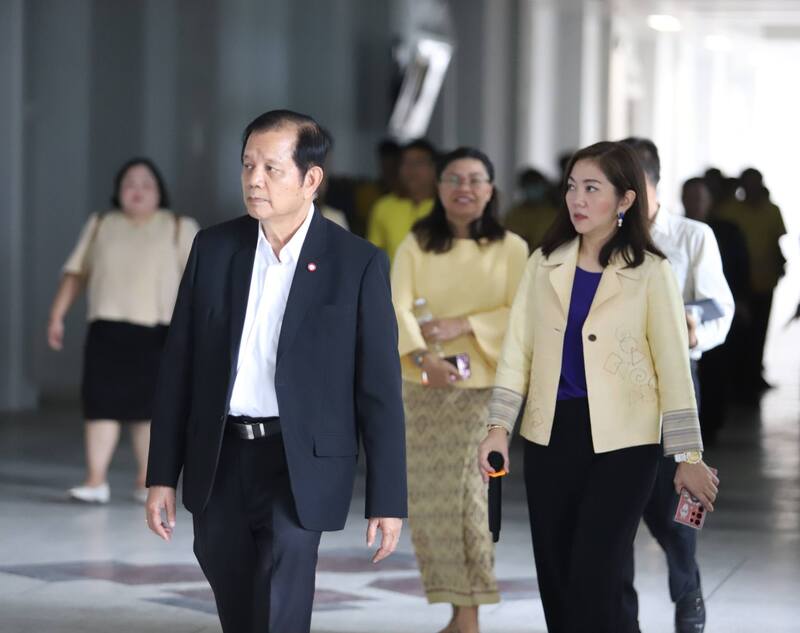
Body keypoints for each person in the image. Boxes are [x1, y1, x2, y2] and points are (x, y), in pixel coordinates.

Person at [144, 110, 407, 633]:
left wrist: (388, 499)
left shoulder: (357, 264)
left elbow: (378, 390)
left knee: (284, 584)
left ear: (311, 180)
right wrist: (160, 475)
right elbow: (179, 368)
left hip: (299, 459)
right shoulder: (214, 249)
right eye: (247, 165)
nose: (254, 180)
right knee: (231, 578)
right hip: (221, 454)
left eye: (271, 168)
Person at [478, 141, 719, 633]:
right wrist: (498, 427)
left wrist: (688, 459)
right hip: (550, 437)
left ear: (625, 200)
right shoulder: (543, 263)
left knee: (597, 576)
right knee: (559, 576)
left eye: (592, 188)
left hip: (626, 446)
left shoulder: (652, 274)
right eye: (571, 187)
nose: (577, 200)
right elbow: (516, 354)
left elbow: (674, 371)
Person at [392, 147, 528, 633]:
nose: (464, 188)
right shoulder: (416, 244)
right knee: (428, 504)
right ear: (439, 187)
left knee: (469, 497)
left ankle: (469, 615)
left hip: (482, 394)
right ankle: (456, 610)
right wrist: (424, 357)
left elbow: (523, 314)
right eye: (454, 178)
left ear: (491, 189)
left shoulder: (511, 248)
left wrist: (464, 324)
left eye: (475, 179)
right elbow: (397, 305)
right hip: (424, 389)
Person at [619, 138, 733, 633]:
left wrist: (686, 322)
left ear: (648, 183)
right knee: (619, 500)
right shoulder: (604, 235)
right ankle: (619, 614)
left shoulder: (691, 236)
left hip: (675, 385)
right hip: (615, 385)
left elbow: (718, 307)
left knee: (678, 499)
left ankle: (688, 593)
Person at [47, 158, 198, 504]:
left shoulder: (178, 225)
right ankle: (95, 480)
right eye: (130, 183)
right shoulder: (101, 223)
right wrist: (57, 315)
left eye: (147, 184)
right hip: (107, 330)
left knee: (151, 411)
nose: (138, 190)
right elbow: (76, 272)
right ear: (118, 191)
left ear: (160, 191)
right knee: (100, 405)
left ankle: (145, 480)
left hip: (159, 333)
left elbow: (199, 281)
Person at [683, 177, 750, 444]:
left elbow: (740, 266)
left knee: (718, 368)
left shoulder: (725, 231)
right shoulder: (677, 233)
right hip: (686, 319)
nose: (696, 203)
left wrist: (741, 300)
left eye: (700, 198)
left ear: (710, 200)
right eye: (690, 197)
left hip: (717, 311)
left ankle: (713, 422)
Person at [714, 168, 787, 396]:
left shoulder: (772, 210)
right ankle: (738, 379)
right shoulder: (729, 211)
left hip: (766, 280)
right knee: (739, 333)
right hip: (738, 283)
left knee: (759, 330)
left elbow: (777, 241)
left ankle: (754, 373)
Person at [368, 138, 437, 263]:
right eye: (406, 162)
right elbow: (371, 256)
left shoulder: (445, 207)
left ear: (434, 168)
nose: (411, 169)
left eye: (418, 162)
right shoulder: (383, 207)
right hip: (393, 281)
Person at [503, 168, 559, 252]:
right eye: (529, 185)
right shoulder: (515, 214)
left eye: (536, 185)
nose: (533, 190)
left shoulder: (553, 213)